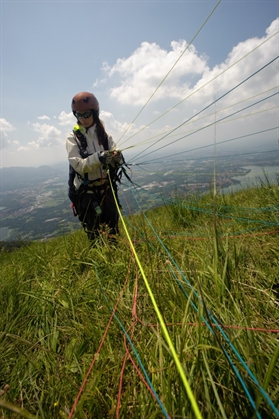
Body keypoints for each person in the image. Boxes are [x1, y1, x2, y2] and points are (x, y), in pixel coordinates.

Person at [66, 91, 124, 243]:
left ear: (95, 113)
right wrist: (99, 158)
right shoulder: (73, 139)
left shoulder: (105, 136)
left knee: (113, 229)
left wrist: (117, 158)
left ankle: (116, 256)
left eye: (86, 115)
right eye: (78, 115)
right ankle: (100, 262)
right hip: (87, 193)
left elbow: (114, 154)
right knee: (94, 233)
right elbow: (78, 165)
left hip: (105, 188)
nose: (82, 119)